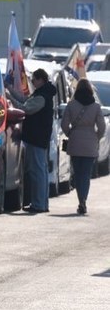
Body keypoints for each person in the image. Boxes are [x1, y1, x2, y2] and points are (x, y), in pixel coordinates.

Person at [8, 68, 56, 213]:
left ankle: (39, 204)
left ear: (41, 79)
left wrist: (10, 99)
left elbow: (25, 108)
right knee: (39, 171)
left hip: (37, 138)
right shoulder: (41, 94)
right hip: (38, 138)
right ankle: (41, 203)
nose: (32, 82)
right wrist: (10, 90)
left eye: (34, 79)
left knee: (37, 172)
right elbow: (26, 99)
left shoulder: (42, 96)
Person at [61, 78, 106, 215]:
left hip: (75, 141)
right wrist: (96, 137)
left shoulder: (71, 105)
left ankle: (81, 199)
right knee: (85, 174)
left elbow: (64, 124)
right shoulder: (96, 106)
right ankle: (83, 200)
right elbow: (102, 126)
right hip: (90, 142)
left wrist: (70, 133)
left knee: (78, 172)